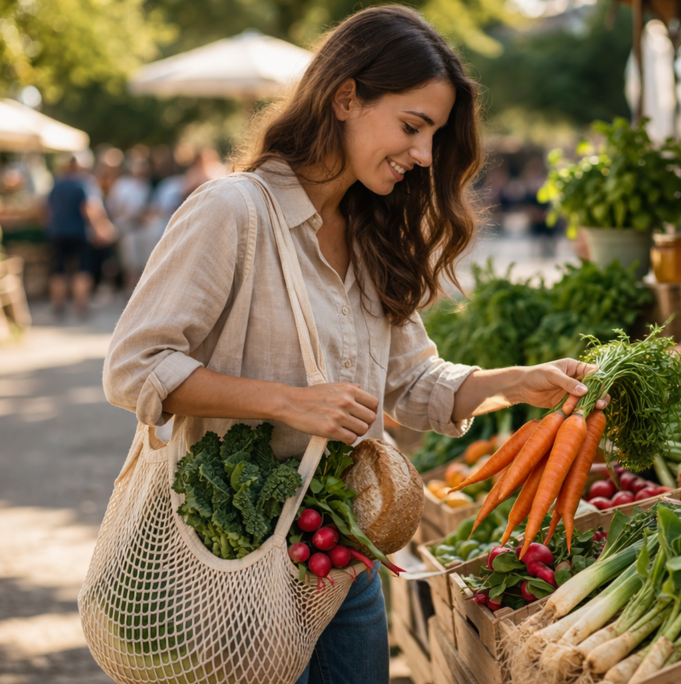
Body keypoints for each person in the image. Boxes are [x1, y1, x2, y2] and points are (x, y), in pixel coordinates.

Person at [102, 7, 605, 684]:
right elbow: (134, 367)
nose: (424, 155)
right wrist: (287, 403)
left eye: (433, 136)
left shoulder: (372, 235)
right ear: (346, 97)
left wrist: (511, 382)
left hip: (344, 558)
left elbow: (414, 381)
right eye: (411, 127)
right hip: (232, 558)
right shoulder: (233, 212)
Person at [44, 153, 115, 318]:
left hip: (56, 232)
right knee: (82, 269)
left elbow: (46, 208)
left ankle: (58, 306)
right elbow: (89, 208)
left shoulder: (56, 184)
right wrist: (100, 229)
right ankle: (81, 306)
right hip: (79, 233)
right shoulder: (83, 184)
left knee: (58, 269)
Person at [107, 156, 153, 293]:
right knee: (130, 265)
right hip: (127, 230)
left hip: (142, 230)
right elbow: (113, 207)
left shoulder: (145, 185)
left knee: (142, 265)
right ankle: (130, 293)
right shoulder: (122, 185)